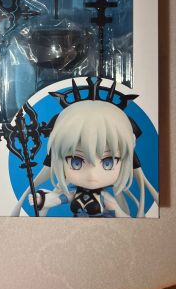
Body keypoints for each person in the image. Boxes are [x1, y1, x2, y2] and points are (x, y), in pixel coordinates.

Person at [12, 83, 158, 217]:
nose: (92, 174)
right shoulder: (73, 194)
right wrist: (42, 199)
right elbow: (57, 199)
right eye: (76, 162)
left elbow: (125, 219)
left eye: (107, 163)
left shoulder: (106, 199)